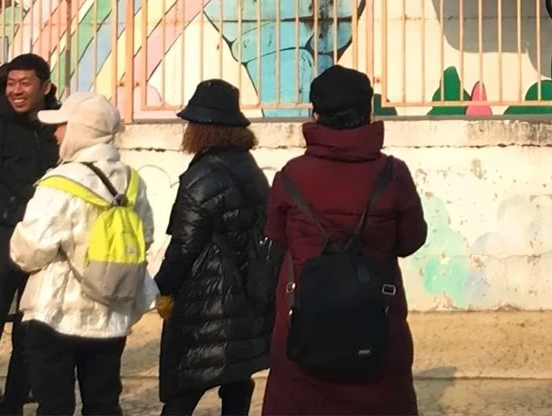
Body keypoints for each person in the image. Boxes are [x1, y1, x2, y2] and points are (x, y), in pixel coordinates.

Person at [262, 65, 427, 416]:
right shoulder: (393, 174)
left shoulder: (291, 175)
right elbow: (411, 241)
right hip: (375, 328)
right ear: (368, 111)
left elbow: (275, 237)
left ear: (315, 114)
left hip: (303, 327)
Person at [9, 91, 156, 416]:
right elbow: (144, 237)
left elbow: (28, 252)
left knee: (54, 404)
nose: (56, 132)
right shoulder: (132, 181)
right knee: (103, 402)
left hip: (56, 311)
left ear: (80, 130)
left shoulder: (59, 183)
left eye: (62, 124)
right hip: (111, 313)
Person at [154, 81, 272, 416]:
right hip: (245, 292)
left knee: (185, 385)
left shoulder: (202, 175)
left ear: (204, 129)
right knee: (236, 376)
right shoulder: (248, 166)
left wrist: (163, 288)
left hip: (206, 299)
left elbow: (184, 245)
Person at [0, 55, 59, 416]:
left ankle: (13, 405)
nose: (16, 91)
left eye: (25, 83)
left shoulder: (55, 127)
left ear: (45, 87)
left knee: (30, 336)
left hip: (42, 250)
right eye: (11, 83)